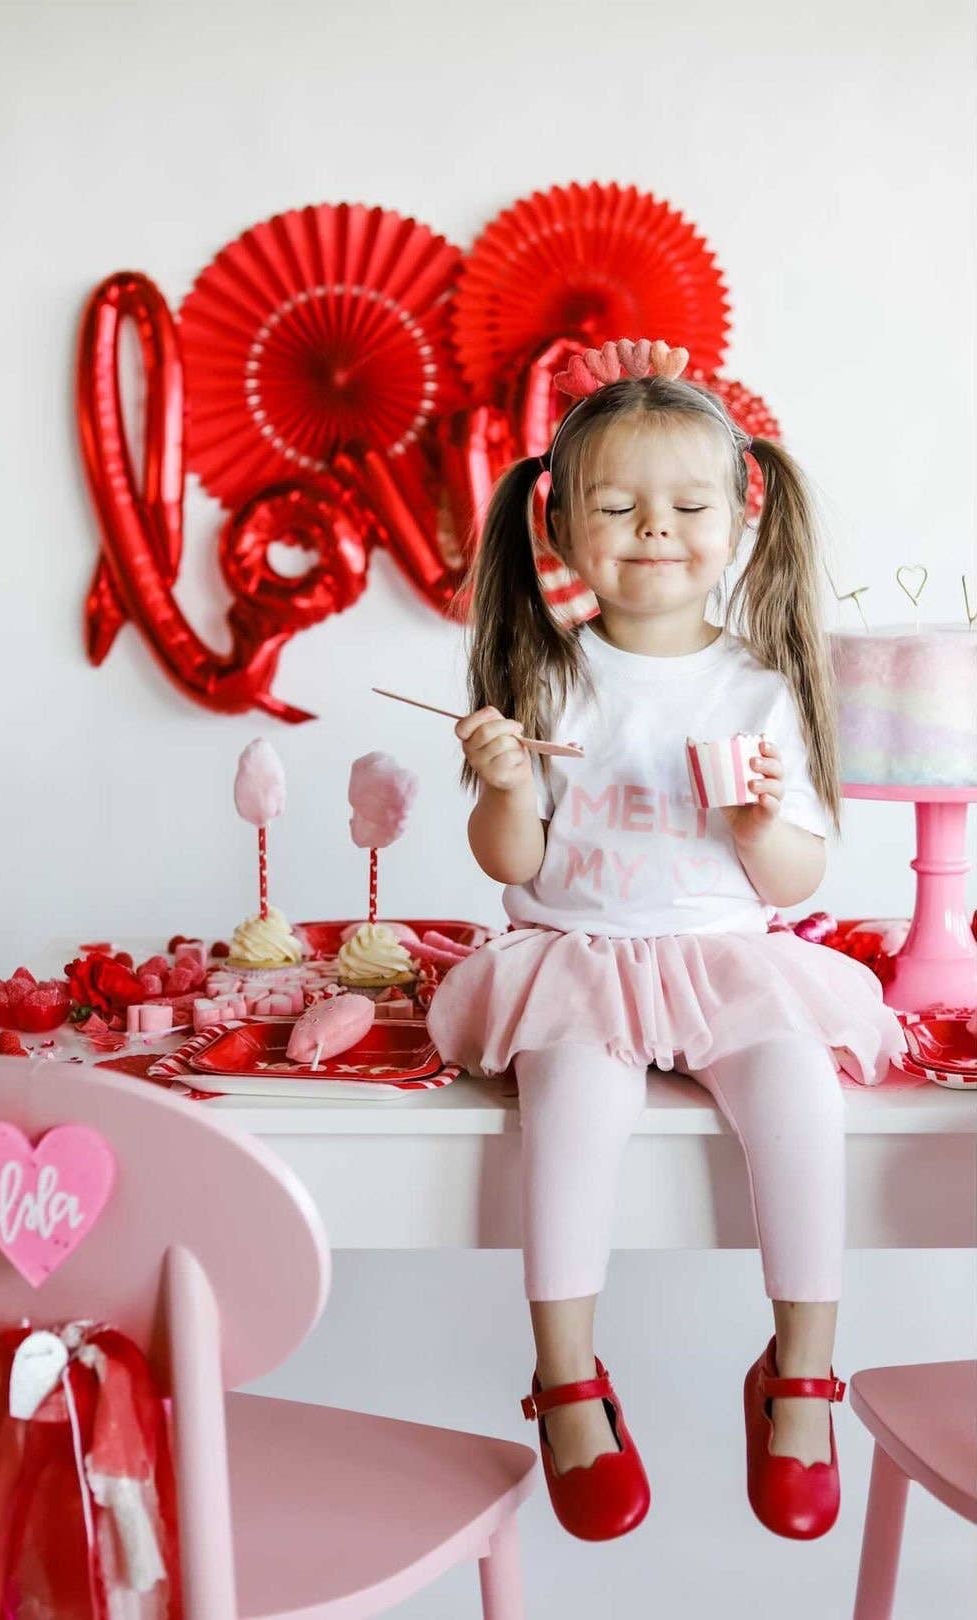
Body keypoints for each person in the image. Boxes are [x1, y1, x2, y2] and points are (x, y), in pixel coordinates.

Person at [425, 337, 905, 1544]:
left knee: (799, 1097)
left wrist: (755, 825)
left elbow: (795, 874)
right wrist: (503, 787)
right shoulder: (547, 676)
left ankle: (802, 1375)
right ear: (561, 526)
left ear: (741, 517)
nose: (655, 529)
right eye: (617, 507)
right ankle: (567, 1380)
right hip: (579, 964)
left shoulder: (759, 688)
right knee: (572, 1112)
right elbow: (513, 863)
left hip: (726, 959)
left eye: (689, 506)